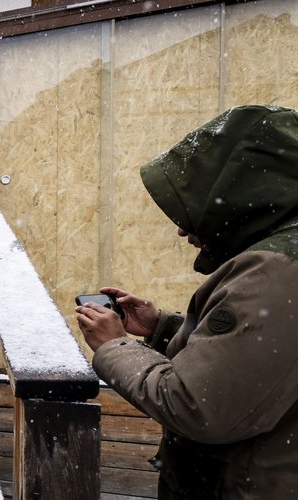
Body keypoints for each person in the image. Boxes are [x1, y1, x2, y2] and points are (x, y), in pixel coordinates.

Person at [76, 104, 298, 499]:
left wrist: (115, 346)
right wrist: (162, 327)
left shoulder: (277, 270)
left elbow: (196, 405)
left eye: (194, 208)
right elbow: (264, 359)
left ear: (239, 194)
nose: (182, 229)